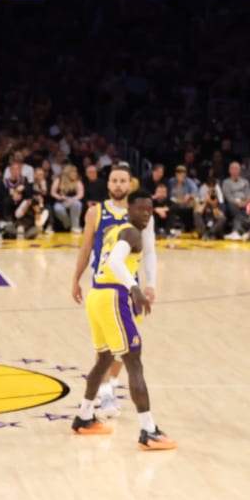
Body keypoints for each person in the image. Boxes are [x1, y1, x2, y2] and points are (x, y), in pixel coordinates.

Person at [70, 190, 175, 451]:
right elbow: (116, 262)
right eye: (141, 209)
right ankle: (148, 431)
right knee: (134, 361)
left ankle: (83, 416)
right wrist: (134, 288)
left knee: (105, 358)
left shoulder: (115, 232)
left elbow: (103, 259)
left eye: (150, 210)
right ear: (129, 210)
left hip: (98, 295)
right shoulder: (131, 233)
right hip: (114, 296)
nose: (146, 214)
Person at [71, 165, 135, 412]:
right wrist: (76, 278)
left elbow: (148, 251)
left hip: (130, 287)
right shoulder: (95, 212)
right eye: (114, 180)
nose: (118, 185)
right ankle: (106, 392)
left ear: (130, 185)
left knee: (124, 347)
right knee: (106, 347)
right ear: (108, 185)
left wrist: (149, 285)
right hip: (104, 286)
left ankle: (110, 386)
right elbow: (86, 248)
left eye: (122, 181)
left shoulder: (137, 213)